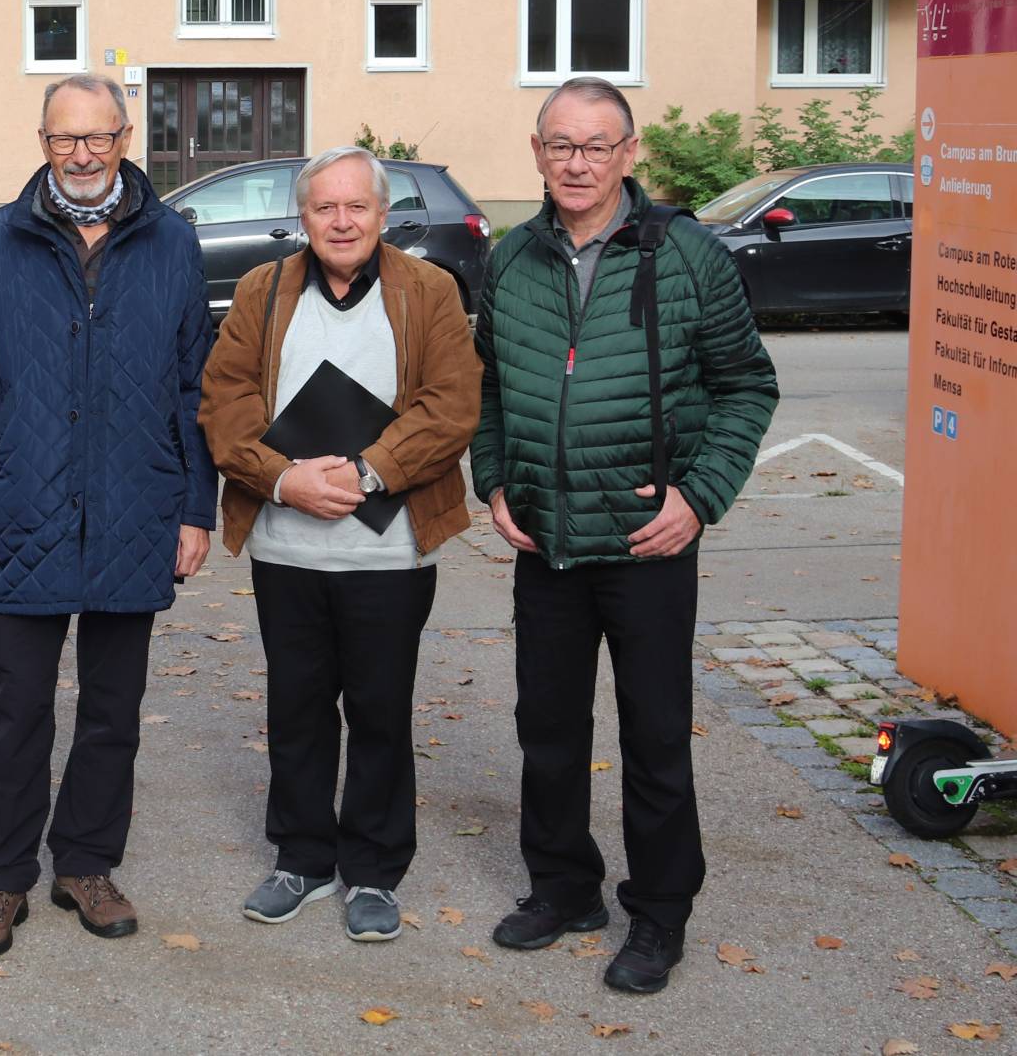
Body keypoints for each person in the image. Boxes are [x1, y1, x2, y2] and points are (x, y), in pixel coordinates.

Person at [473, 77, 778, 993]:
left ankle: (659, 914)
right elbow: (488, 388)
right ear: (537, 153)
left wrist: (701, 494)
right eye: (561, 145)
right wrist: (493, 480)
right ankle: (564, 887)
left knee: (653, 736)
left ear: (629, 154)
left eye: (596, 146)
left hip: (650, 542)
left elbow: (748, 387)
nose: (577, 163)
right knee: (549, 730)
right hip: (548, 544)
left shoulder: (687, 256)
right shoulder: (510, 258)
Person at [0, 74, 217, 956]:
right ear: (42, 142)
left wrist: (194, 506)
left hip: (137, 508)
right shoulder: (1, 237)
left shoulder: (172, 240)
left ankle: (87, 864)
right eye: (65, 140)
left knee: (114, 707)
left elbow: (193, 385)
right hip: (25, 506)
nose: (82, 155)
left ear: (125, 136)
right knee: (16, 704)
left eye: (97, 138)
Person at [199, 146, 479, 942]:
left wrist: (366, 470)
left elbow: (452, 406)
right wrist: (285, 481)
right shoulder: (262, 290)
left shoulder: (429, 290)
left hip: (389, 552)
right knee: (296, 711)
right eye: (326, 208)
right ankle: (302, 857)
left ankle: (375, 870)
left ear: (384, 216)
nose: (343, 220)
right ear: (305, 217)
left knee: (381, 712)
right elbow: (224, 403)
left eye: (358, 207)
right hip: (286, 548)